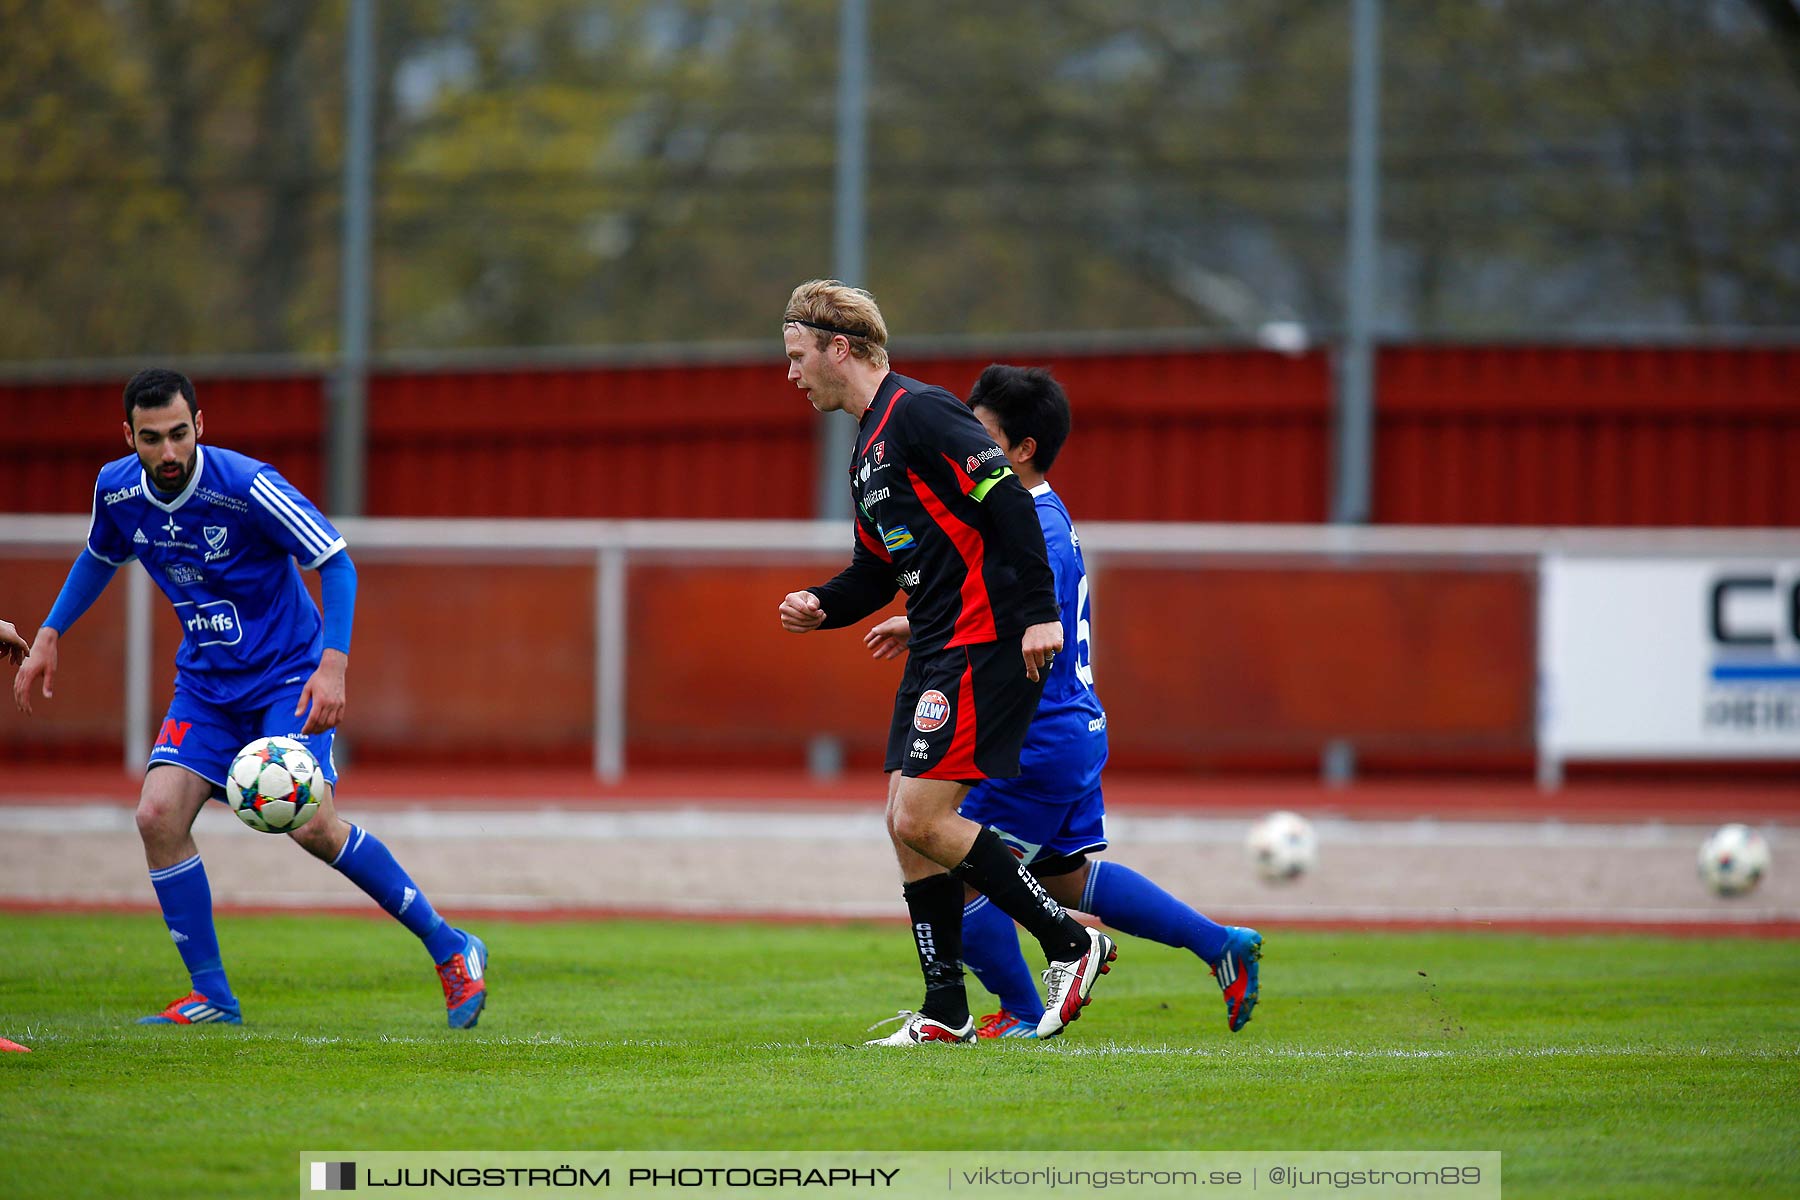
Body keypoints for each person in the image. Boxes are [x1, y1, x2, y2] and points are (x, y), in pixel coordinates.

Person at [12, 369, 488, 1028]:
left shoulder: (248, 486)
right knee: (156, 817)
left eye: (180, 434)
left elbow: (336, 561)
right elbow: (100, 554)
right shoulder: (117, 488)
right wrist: (50, 634)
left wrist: (333, 668)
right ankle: (213, 996)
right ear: (130, 437)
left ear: (200, 426)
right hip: (206, 686)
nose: (169, 452)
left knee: (310, 823)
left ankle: (451, 946)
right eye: (152, 439)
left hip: (287, 678)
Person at [864, 365, 1263, 1040]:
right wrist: (924, 624)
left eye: (982, 436)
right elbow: (997, 604)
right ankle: (1219, 943)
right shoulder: (1040, 515)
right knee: (1068, 880)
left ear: (1020, 449)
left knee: (948, 863)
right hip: (1067, 725)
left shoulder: (1033, 526)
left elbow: (1021, 613)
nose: (968, 447)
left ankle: (1019, 1012)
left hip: (1033, 734)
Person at [777, 280, 1116, 1045]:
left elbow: (1007, 502)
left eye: (798, 356)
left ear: (841, 348)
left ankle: (1071, 941)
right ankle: (946, 1009)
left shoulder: (921, 411)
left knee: (924, 817)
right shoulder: (868, 449)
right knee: (902, 823)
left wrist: (1036, 613)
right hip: (934, 645)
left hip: (981, 639)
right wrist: (822, 603)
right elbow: (875, 567)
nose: (791, 373)